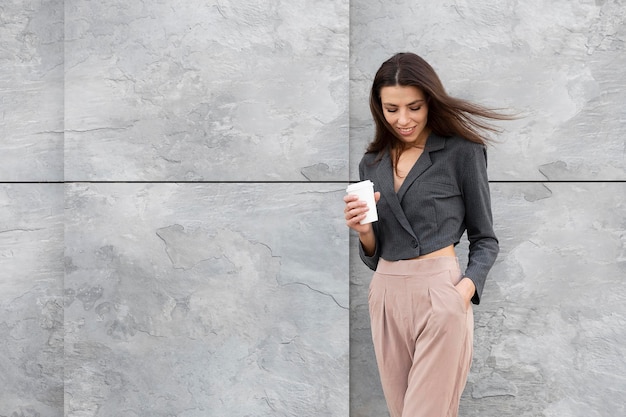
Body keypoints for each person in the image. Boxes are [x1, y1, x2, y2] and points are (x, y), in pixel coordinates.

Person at [344, 52, 510, 417]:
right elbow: (375, 251)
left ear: (430, 101)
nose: (403, 119)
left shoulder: (462, 153)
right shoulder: (370, 162)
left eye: (414, 107)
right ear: (379, 108)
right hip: (386, 294)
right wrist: (363, 232)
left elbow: (485, 239)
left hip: (441, 292)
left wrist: (462, 293)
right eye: (391, 109)